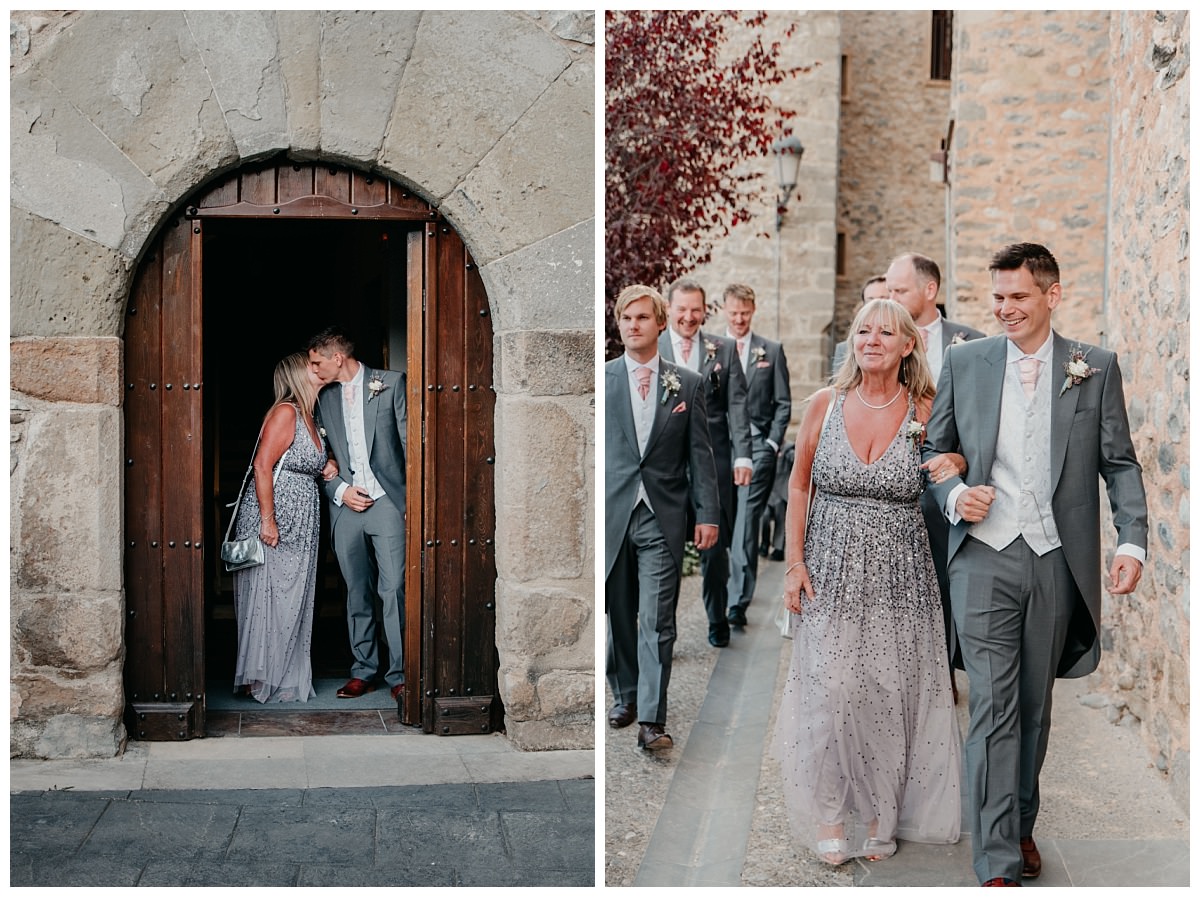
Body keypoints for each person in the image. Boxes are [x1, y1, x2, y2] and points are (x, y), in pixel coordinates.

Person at [922, 242, 1148, 886]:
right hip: (984, 559)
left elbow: (1120, 462)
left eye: (1018, 296)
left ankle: (1020, 824)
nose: (1004, 308)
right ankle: (994, 855)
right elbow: (935, 450)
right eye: (997, 296)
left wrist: (1132, 540)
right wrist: (956, 495)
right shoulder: (966, 362)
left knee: (1034, 707)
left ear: (1051, 295)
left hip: (1054, 560)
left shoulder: (1093, 366)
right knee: (992, 704)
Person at [776, 298, 963, 866]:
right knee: (831, 693)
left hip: (901, 575)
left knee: (887, 694)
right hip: (828, 568)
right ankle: (831, 813)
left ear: (908, 345)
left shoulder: (927, 411)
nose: (872, 339)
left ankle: (882, 813)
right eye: (863, 330)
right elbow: (800, 486)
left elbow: (955, 469)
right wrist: (793, 563)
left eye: (886, 331)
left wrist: (955, 463)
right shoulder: (824, 405)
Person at [605, 285, 720, 750]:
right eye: (625, 318)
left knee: (657, 620)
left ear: (659, 323)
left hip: (662, 516)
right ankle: (626, 694)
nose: (633, 325)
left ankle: (652, 720)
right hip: (614, 515)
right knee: (620, 617)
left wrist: (707, 513)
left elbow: (701, 456)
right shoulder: (605, 377)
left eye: (641, 318)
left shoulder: (687, 384)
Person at [886, 252, 987, 702]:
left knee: (945, 583)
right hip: (890, 487)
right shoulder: (880, 338)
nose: (891, 298)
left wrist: (960, 464)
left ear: (929, 291)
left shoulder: (972, 344)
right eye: (888, 290)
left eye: (899, 290)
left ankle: (943, 668)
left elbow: (983, 422)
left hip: (945, 489)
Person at [308, 326, 408, 707]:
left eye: (317, 362)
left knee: (393, 588)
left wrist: (408, 504)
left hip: (387, 501)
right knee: (356, 590)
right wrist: (339, 491)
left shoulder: (392, 384)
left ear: (337, 358)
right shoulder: (323, 396)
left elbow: (408, 446)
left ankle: (399, 675)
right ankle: (363, 669)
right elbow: (319, 455)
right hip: (345, 504)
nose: (313, 370)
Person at [233, 352, 337, 703]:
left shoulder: (312, 414)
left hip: (303, 516)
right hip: (275, 513)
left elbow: (310, 457)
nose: (318, 368)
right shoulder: (286, 412)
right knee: (270, 595)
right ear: (298, 374)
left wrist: (329, 463)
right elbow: (263, 466)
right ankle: (261, 677)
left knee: (293, 597)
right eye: (311, 366)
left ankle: (283, 673)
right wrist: (268, 520)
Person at [659, 277, 752, 648]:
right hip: (665, 468)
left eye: (695, 309)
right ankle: (665, 629)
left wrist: (743, 454)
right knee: (665, 549)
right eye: (681, 309)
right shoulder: (655, 344)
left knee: (715, 548)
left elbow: (738, 405)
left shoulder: (723, 349)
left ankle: (717, 617)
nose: (688, 317)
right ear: (669, 309)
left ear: (704, 310)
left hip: (713, 463)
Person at [720, 283, 792, 628]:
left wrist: (773, 445)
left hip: (759, 448)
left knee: (746, 523)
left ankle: (738, 601)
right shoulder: (712, 349)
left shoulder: (771, 351)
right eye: (733, 313)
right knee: (721, 521)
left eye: (744, 313)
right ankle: (719, 592)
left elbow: (783, 404)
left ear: (753, 310)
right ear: (724, 311)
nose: (739, 319)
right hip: (718, 450)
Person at [830, 274, 889, 371]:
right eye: (871, 300)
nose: (877, 305)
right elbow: (838, 384)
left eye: (883, 299)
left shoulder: (908, 341)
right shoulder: (844, 349)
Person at [759, 440, 794, 562]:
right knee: (764, 518)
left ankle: (778, 549)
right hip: (768, 492)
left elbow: (795, 462)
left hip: (781, 493)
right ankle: (764, 543)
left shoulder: (788, 450)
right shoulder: (766, 447)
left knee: (781, 522)